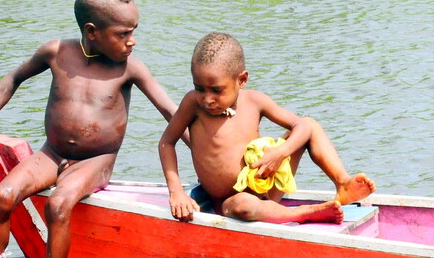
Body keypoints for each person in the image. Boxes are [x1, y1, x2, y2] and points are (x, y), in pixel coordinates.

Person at [0, 0, 183, 258]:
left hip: (96, 160)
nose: (132, 41)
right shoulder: (56, 52)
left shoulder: (130, 69)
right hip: (52, 153)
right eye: (123, 34)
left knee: (58, 204)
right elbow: (12, 78)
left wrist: (207, 156)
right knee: (1, 197)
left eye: (133, 31)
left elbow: (172, 113)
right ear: (92, 32)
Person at [159, 32, 376, 224]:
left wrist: (280, 154)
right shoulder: (193, 105)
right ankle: (304, 213)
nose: (207, 99)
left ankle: (342, 183)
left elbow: (300, 126)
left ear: (241, 79)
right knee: (244, 206)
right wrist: (176, 191)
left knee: (309, 124)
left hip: (266, 187)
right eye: (199, 88)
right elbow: (166, 142)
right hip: (229, 202)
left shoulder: (255, 101)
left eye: (216, 90)